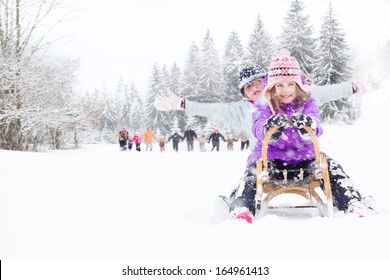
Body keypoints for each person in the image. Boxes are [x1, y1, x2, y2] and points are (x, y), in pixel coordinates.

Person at [227, 50, 374, 224]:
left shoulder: (308, 103)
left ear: (299, 85)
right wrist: (269, 129)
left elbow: (317, 123)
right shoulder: (264, 104)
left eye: (290, 84)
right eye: (279, 85)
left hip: (306, 158)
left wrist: (309, 125)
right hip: (270, 159)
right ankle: (241, 208)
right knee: (251, 175)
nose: (285, 90)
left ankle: (352, 202)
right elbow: (257, 125)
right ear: (271, 87)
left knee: (331, 167)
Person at [154, 65, 365, 151]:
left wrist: (351, 87)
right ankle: (240, 205)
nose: (254, 88)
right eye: (248, 86)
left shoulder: (286, 95)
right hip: (263, 158)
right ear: (244, 93)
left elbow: (322, 93)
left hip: (300, 153)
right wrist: (184, 104)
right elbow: (212, 109)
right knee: (250, 178)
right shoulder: (239, 110)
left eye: (258, 82)